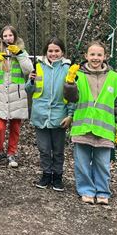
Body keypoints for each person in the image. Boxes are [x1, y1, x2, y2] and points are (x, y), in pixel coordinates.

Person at [63, 40, 117, 205]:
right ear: (86, 56)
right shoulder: (78, 74)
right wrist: (69, 82)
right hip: (82, 127)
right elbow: (71, 98)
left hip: (104, 130)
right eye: (92, 54)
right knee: (82, 163)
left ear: (105, 57)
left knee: (103, 163)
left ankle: (103, 191)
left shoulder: (114, 78)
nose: (95, 57)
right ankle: (86, 190)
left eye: (99, 54)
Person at [25, 38, 74, 191]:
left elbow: (72, 95)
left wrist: (70, 115)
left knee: (58, 149)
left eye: (56, 51)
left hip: (60, 116)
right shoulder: (38, 67)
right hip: (40, 115)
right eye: (50, 51)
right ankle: (46, 174)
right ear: (46, 52)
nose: (53, 54)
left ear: (62, 52)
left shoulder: (68, 69)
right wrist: (31, 81)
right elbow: (29, 90)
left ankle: (58, 176)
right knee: (44, 149)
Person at [0, 25, 33, 168]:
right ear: (2, 37)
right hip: (0, 94)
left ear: (15, 36)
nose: (8, 38)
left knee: (15, 127)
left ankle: (11, 153)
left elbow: (28, 70)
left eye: (10, 35)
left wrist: (19, 54)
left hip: (17, 95)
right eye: (5, 36)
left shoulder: (22, 51)